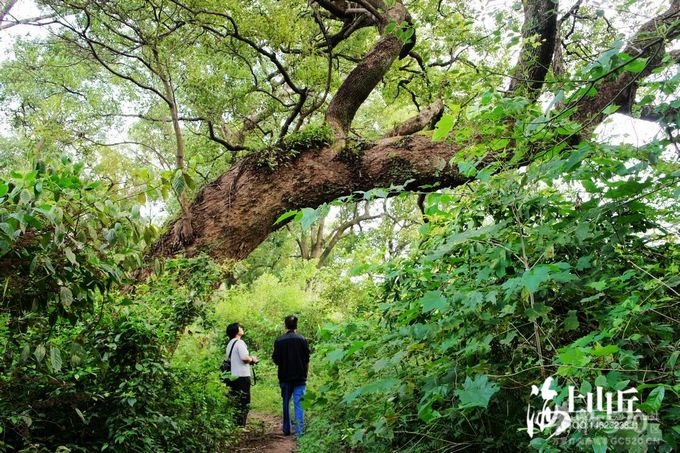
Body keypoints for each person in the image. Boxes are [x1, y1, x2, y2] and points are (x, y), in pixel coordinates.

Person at [272, 315, 310, 437]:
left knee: (286, 402)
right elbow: (306, 360)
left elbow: (276, 360)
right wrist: (305, 374)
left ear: (285, 325)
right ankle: (299, 431)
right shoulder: (302, 339)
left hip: (284, 376)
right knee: (299, 404)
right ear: (296, 326)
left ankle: (286, 429)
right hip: (300, 377)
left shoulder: (279, 340)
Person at [225, 322, 258, 428]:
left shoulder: (230, 343)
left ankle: (235, 424)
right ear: (236, 331)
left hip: (233, 376)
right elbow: (244, 357)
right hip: (242, 376)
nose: (241, 328)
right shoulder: (239, 343)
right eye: (240, 327)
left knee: (236, 400)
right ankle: (241, 426)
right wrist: (252, 359)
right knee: (244, 400)